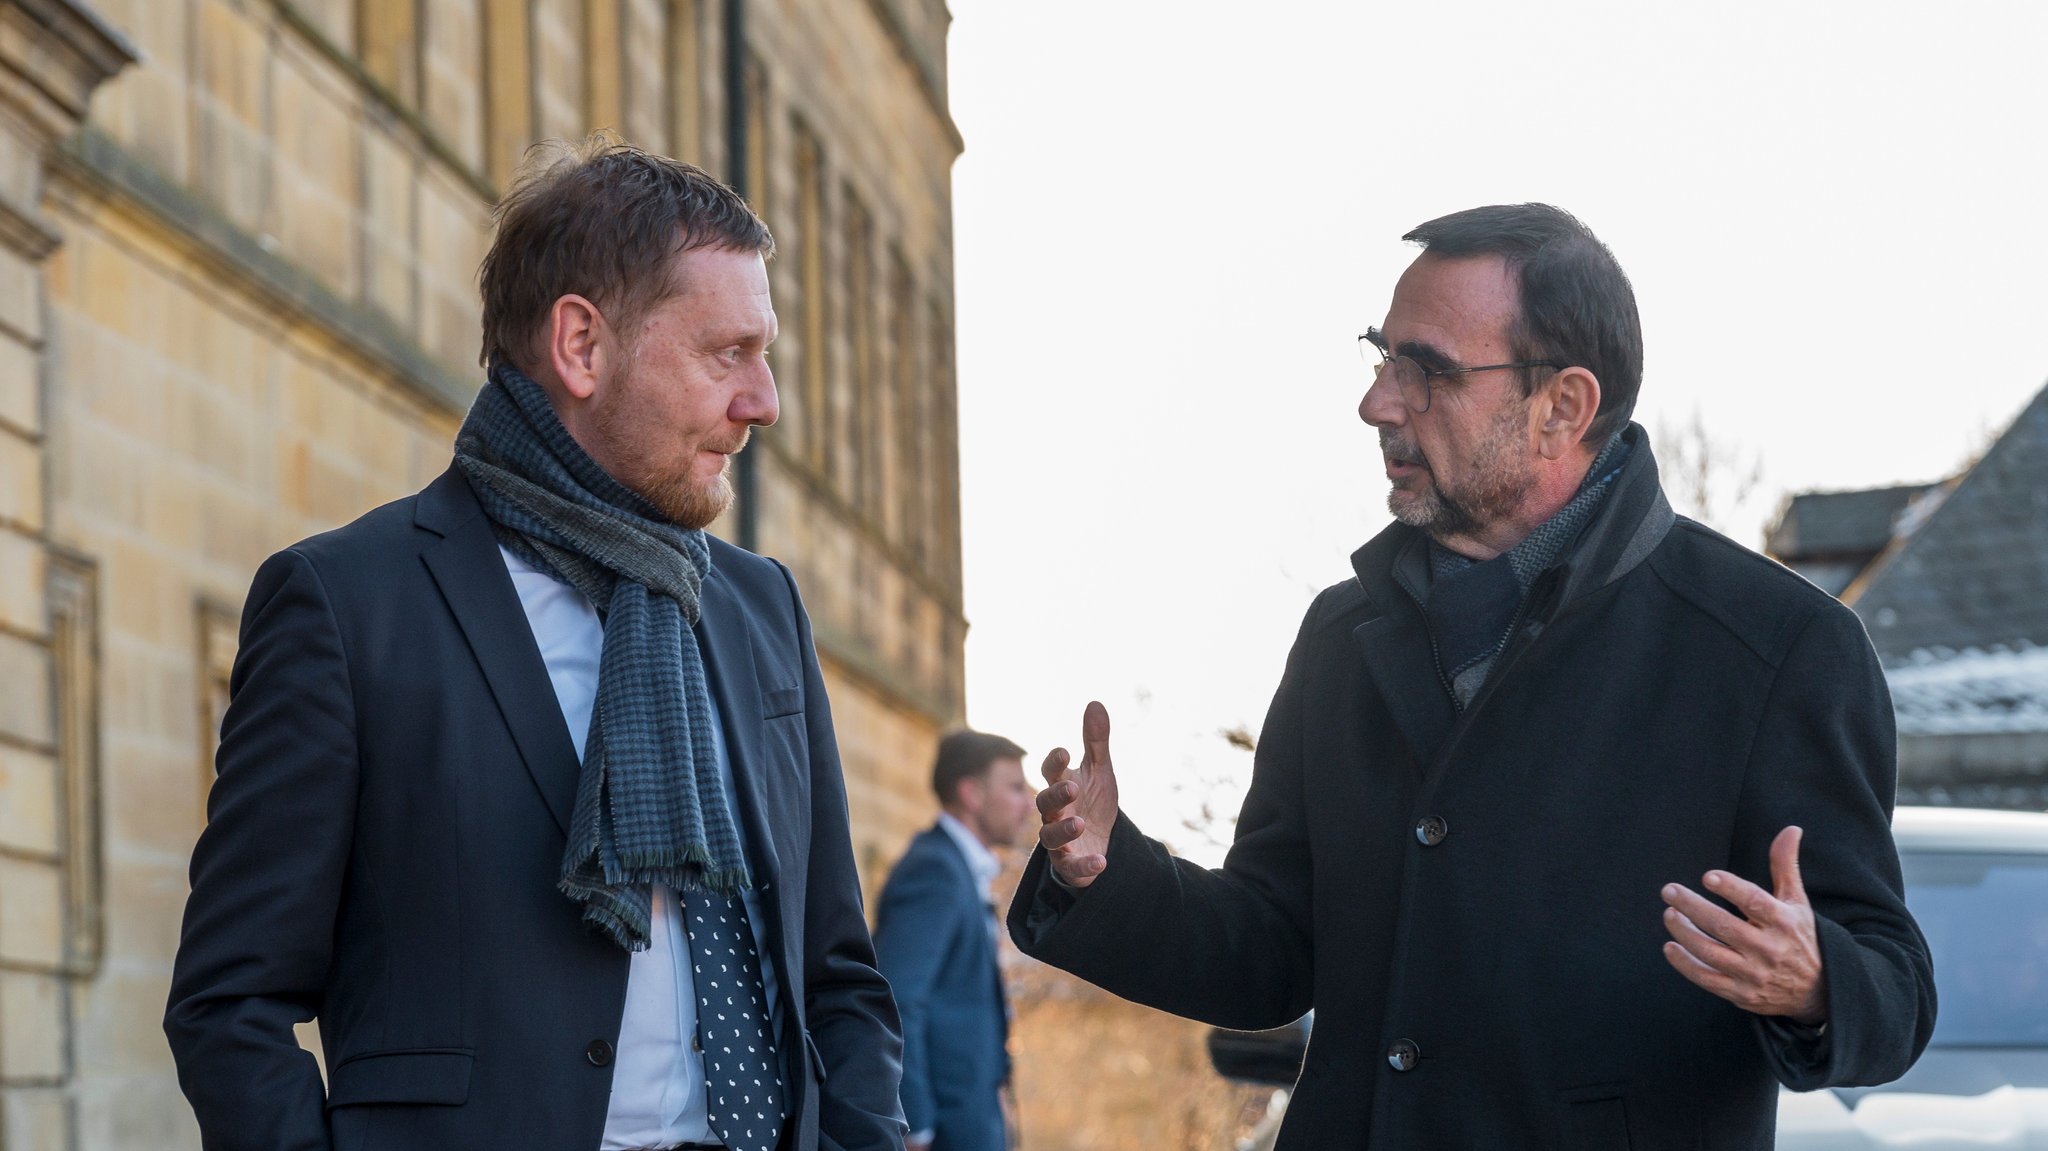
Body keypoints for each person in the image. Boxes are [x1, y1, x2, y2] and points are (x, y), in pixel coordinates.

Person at [1010, 204, 1936, 1150]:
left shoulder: (1778, 649)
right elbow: (1271, 950)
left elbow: (1895, 989)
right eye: (1381, 356)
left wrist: (1820, 981)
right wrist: (1105, 872)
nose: (1378, 402)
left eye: (1429, 371)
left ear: (1562, 408)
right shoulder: (1343, 633)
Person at [164, 137, 906, 1151]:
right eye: (726, 352)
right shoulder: (347, 604)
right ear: (581, 346)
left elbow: (835, 970)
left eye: (763, 354)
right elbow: (229, 999)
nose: (762, 400)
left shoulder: (759, 604)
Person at [874, 731, 1035, 1151]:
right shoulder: (935, 870)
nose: (1028, 804)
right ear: (972, 793)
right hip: (943, 1135)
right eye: (1015, 788)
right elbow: (897, 1002)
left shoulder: (960, 869)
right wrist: (916, 1128)